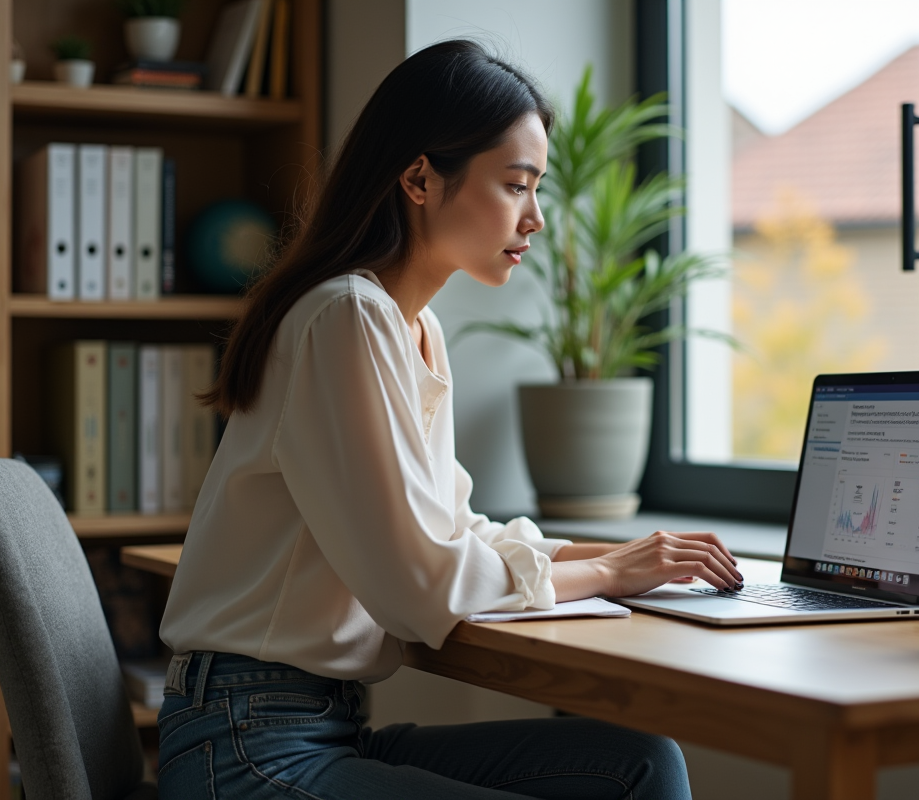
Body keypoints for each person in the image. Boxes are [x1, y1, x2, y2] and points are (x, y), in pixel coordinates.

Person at [156, 39, 743, 800]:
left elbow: (454, 531)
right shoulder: (347, 317)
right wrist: (603, 574)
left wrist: (633, 554)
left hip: (320, 724)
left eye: (538, 190)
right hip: (245, 746)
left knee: (641, 763)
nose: (534, 219)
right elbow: (421, 587)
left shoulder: (412, 328)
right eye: (515, 185)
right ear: (419, 178)